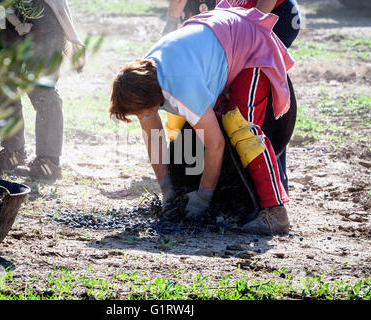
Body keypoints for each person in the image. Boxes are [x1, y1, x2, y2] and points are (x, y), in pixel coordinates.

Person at [109, 1, 294, 235]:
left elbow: (215, 144)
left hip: (249, 43)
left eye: (141, 112)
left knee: (241, 127)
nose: (141, 117)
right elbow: (153, 134)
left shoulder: (181, 86)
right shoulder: (144, 76)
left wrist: (203, 199)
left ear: (153, 97)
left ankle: (275, 212)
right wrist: (168, 192)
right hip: (220, 38)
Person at [162, 0, 301, 192]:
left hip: (271, 15)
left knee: (249, 107)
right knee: (228, 96)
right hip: (238, 18)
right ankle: (230, 176)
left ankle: (271, 187)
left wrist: (250, 29)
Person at [0, 0, 84, 181]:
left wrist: (73, 38)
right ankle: (13, 151)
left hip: (41, 16)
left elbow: (59, 4)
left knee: (42, 91)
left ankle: (48, 162)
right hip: (2, 12)